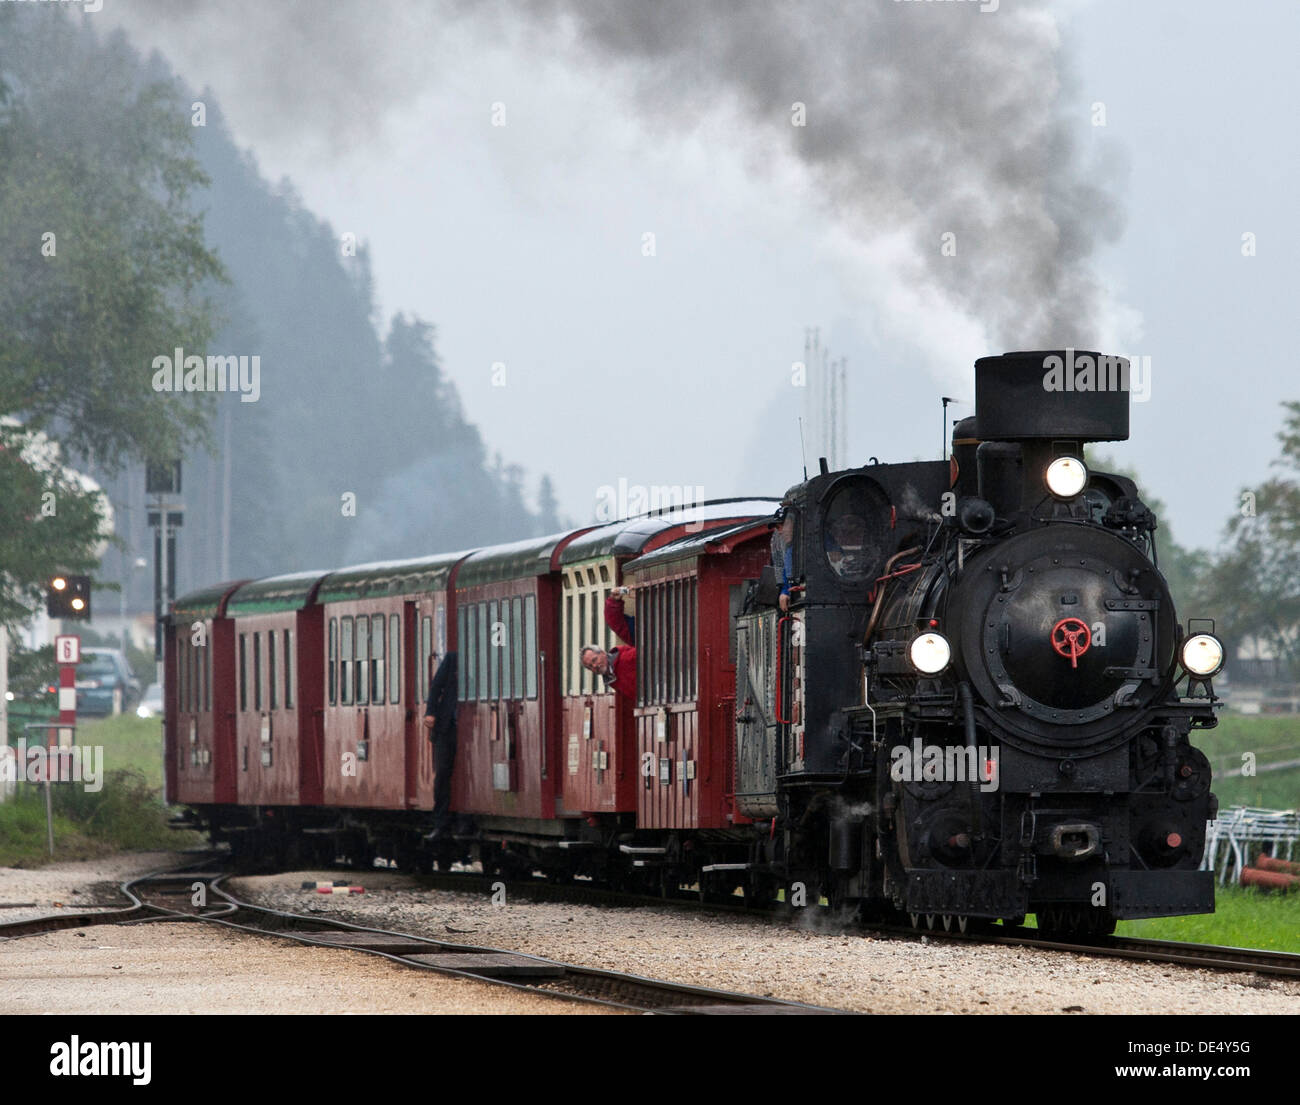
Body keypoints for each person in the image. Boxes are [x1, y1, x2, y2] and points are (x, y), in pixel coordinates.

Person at [422, 651, 458, 839]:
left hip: (471, 725)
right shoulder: (453, 658)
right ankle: (441, 821)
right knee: (443, 772)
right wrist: (431, 713)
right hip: (448, 725)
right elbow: (436, 686)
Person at [580, 588, 637, 699]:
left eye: (594, 660)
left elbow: (617, 624)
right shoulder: (611, 678)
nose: (595, 666)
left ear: (603, 653)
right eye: (590, 666)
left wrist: (613, 601)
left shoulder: (627, 657)